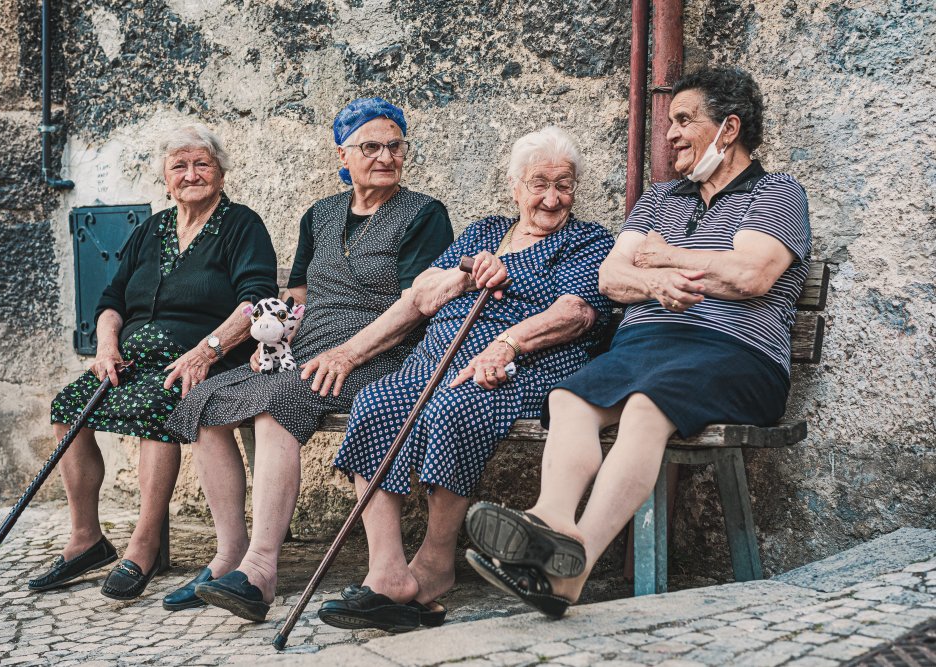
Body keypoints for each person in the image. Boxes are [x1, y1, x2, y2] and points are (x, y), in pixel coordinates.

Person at [465, 67, 812, 618]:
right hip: (646, 346)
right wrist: (651, 282)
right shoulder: (659, 198)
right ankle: (551, 520)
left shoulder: (776, 192)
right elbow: (610, 278)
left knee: (647, 410)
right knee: (569, 399)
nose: (670, 134)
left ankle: (571, 572)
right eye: (668, 122)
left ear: (729, 129)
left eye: (683, 120)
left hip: (736, 354)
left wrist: (663, 257)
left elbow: (751, 276)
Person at [162, 98, 454, 619]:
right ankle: (229, 554)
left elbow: (416, 307)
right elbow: (295, 297)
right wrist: (271, 344)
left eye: (394, 145)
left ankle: (260, 571)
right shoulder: (319, 214)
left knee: (279, 403)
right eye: (371, 146)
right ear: (343, 153)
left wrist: (349, 351)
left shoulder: (424, 214)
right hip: (309, 352)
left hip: (381, 353)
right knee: (207, 399)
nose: (385, 156)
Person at [316, 126, 616, 633]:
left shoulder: (586, 241)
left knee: (455, 407)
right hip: (436, 360)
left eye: (563, 184)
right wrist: (465, 273)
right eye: (538, 183)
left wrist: (507, 343)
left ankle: (435, 565)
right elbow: (421, 297)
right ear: (515, 187)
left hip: (523, 365)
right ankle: (388, 574)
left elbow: (576, 314)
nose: (550, 197)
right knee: (376, 402)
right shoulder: (483, 232)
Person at [30, 125, 278, 600]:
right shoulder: (153, 229)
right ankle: (86, 538)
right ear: (165, 178)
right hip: (131, 358)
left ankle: (143, 544)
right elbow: (111, 300)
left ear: (220, 172)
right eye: (179, 166)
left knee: (154, 406)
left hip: (204, 359)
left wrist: (208, 349)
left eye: (202, 163)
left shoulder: (241, 225)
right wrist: (106, 346)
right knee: (68, 409)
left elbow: (256, 300)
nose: (191, 174)